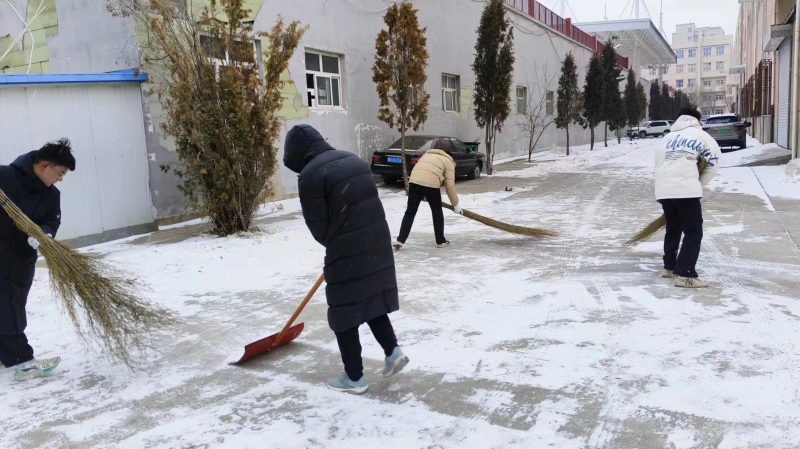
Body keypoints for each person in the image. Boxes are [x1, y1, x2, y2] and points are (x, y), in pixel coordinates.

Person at [283, 125, 409, 395]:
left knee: (344, 312)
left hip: (346, 248)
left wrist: (338, 247)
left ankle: (354, 378)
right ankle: (393, 351)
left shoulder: (310, 176)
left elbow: (319, 227)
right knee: (372, 300)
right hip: (377, 241)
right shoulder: (353, 159)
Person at [0, 138, 75, 381]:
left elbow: (53, 220)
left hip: (21, 261)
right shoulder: (5, 178)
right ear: (45, 165)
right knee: (8, 309)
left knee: (12, 306)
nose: (60, 179)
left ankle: (9, 358)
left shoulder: (52, 196)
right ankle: (22, 361)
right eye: (60, 173)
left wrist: (44, 234)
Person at [654, 107, 721, 288]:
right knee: (693, 232)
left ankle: (669, 267)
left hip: (663, 190)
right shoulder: (702, 136)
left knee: (673, 227)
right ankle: (685, 273)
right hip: (686, 191)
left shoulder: (667, 138)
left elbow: (659, 163)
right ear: (697, 120)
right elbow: (713, 162)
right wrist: (699, 183)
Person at [393, 145, 462, 249]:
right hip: (431, 185)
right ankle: (440, 241)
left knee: (410, 212)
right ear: (450, 157)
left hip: (414, 182)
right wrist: (455, 204)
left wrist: (423, 194)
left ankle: (400, 240)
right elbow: (449, 185)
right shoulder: (448, 161)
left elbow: (422, 173)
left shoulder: (427, 155)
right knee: (436, 212)